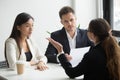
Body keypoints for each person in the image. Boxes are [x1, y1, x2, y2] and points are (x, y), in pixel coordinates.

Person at [47, 18, 120, 80]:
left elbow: (72, 73)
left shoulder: (91, 55)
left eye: (88, 30)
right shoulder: (116, 50)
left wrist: (60, 52)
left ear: (92, 34)